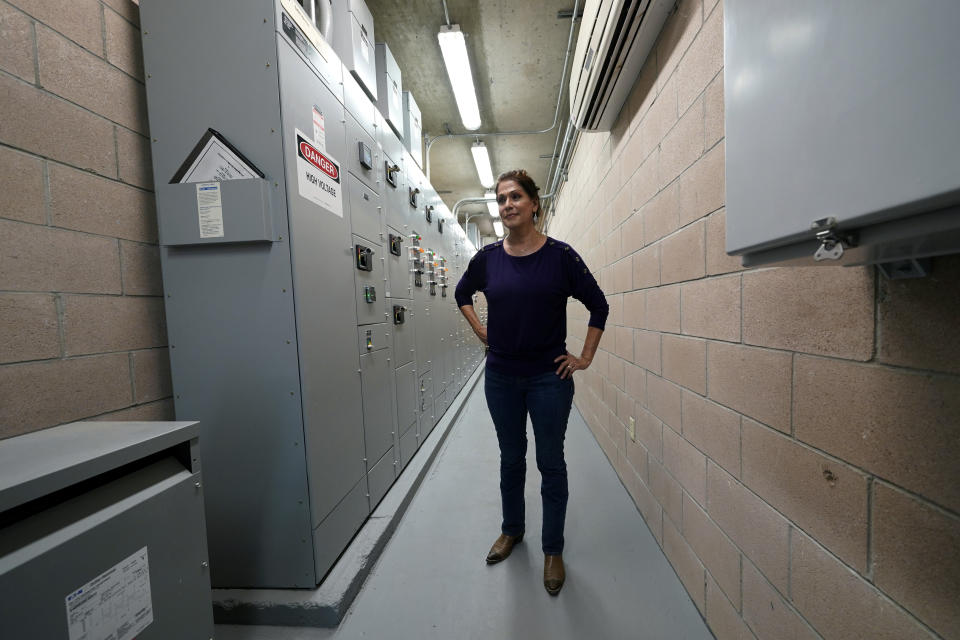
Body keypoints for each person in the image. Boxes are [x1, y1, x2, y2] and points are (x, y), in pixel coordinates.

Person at [454, 169, 608, 595]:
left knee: (550, 463)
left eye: (516, 196)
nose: (507, 205)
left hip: (548, 378)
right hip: (501, 376)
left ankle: (553, 549)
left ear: (534, 204)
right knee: (510, 458)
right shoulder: (488, 259)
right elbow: (461, 293)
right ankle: (512, 530)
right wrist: (480, 330)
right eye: (501, 199)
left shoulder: (560, 257)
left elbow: (599, 305)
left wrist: (585, 357)